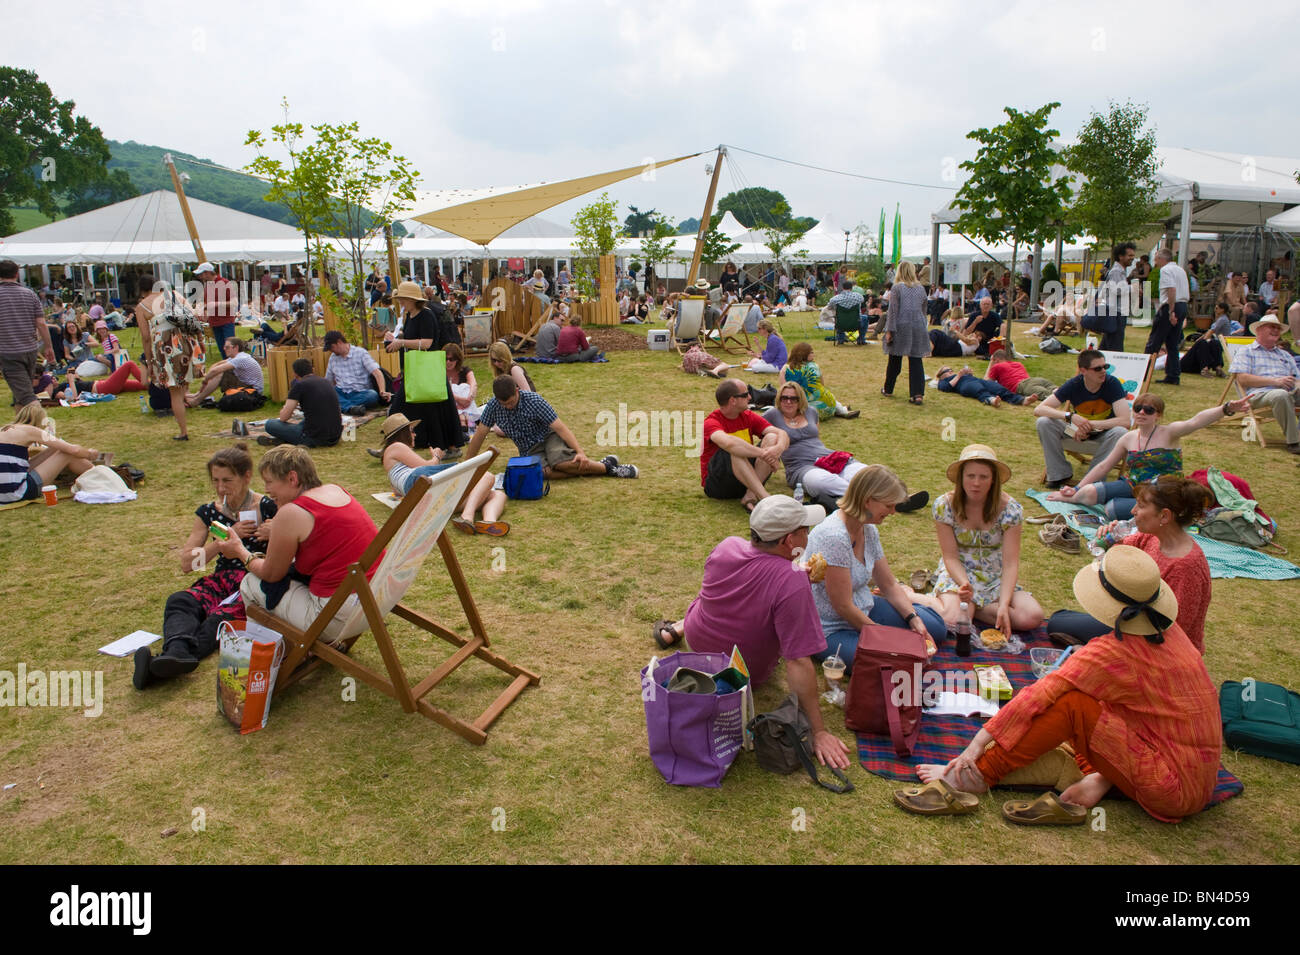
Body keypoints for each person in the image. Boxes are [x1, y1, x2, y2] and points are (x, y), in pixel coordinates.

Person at [915, 545, 1219, 825]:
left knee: (1069, 705)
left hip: (1168, 786)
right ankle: (1099, 777)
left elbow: (1037, 696)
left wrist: (977, 745)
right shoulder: (1171, 632)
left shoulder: (1111, 652)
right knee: (1086, 700)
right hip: (1196, 776)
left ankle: (976, 775)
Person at [650, 495, 850, 771]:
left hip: (698, 641)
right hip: (742, 671)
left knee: (708, 598)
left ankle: (679, 626)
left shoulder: (727, 546)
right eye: (805, 529)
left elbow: (761, 571)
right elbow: (798, 661)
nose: (810, 534)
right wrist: (819, 732)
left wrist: (792, 574)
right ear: (789, 541)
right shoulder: (791, 579)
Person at [133, 443, 278, 689]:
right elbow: (188, 564)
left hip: (251, 581)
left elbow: (295, 548)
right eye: (216, 481)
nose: (221, 488)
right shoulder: (209, 513)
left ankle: (166, 662)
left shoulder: (268, 507)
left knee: (218, 619)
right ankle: (175, 655)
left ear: (246, 476)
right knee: (181, 601)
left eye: (227, 480)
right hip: (221, 579)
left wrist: (276, 531)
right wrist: (220, 545)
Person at [217, 446, 383, 644]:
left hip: (335, 617)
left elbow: (271, 574)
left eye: (269, 482)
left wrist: (240, 551)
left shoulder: (291, 513)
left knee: (250, 584)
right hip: (376, 599)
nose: (267, 490)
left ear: (292, 478)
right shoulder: (335, 490)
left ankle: (266, 655)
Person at [1047, 476, 1214, 654]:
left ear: (1164, 516)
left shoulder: (1186, 567)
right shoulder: (1151, 537)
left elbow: (1173, 632)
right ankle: (1098, 649)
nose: (1133, 511)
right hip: (1132, 625)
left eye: (1141, 506)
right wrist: (1108, 541)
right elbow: (1112, 564)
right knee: (1060, 619)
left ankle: (1098, 652)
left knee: (1061, 625)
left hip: (1161, 648)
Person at [807, 464, 948, 670]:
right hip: (831, 628)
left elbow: (889, 584)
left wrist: (913, 619)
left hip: (865, 608)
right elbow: (843, 606)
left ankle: (908, 619)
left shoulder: (868, 529)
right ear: (867, 500)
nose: (893, 512)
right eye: (889, 505)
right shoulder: (834, 537)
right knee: (894, 662)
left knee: (934, 628)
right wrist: (884, 636)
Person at [1047, 393, 1251, 519]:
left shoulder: (1170, 432)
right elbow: (1103, 466)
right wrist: (1075, 489)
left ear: (1158, 415)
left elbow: (1196, 421)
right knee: (1089, 492)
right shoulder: (1128, 438)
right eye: (1137, 408)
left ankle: (1143, 509)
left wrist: (1226, 409)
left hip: (1163, 491)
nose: (1142, 412)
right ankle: (1074, 500)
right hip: (1133, 485)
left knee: (1112, 510)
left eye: (1149, 410)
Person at [930, 445, 1044, 635]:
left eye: (983, 477)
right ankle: (912, 596)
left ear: (993, 480)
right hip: (959, 571)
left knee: (1032, 616)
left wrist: (1004, 604)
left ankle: (976, 609)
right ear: (961, 478)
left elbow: (1010, 564)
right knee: (952, 621)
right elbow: (950, 557)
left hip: (995, 574)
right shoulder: (944, 505)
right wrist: (965, 585)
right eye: (970, 476)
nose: (976, 483)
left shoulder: (1010, 509)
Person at [465, 376, 638, 480]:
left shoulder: (533, 400)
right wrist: (466, 467)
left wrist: (580, 451)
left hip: (549, 436)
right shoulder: (493, 406)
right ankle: (601, 466)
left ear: (517, 390)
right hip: (529, 448)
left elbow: (560, 427)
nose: (508, 407)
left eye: (511, 402)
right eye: (504, 404)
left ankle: (609, 469)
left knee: (560, 463)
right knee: (543, 473)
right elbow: (479, 435)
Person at [380, 413, 507, 536]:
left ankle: (489, 522)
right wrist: (436, 456)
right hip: (423, 484)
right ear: (402, 433)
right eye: (411, 430)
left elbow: (397, 489)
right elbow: (426, 467)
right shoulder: (396, 446)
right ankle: (467, 517)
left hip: (429, 500)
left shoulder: (392, 460)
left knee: (496, 494)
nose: (414, 434)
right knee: (487, 476)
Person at [1033, 348, 1133, 489]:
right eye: (1097, 368)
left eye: (1105, 367)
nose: (1103, 371)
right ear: (1083, 370)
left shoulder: (1112, 384)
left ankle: (1093, 480)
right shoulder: (1074, 384)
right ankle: (1059, 474)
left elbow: (1125, 421)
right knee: (1043, 422)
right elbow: (1039, 409)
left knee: (1120, 432)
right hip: (1075, 431)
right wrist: (1070, 416)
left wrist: (1088, 424)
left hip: (1104, 434)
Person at [762, 381, 871, 502]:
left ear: (800, 400)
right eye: (784, 398)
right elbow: (757, 432)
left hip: (827, 458)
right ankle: (865, 497)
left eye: (794, 398)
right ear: (779, 399)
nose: (788, 401)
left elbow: (816, 437)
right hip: (800, 467)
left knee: (866, 473)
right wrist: (769, 459)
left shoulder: (811, 412)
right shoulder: (772, 415)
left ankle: (863, 494)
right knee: (824, 483)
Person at [386, 280, 462, 452]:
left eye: (403, 298)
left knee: (432, 410)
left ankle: (446, 446)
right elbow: (413, 336)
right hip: (417, 369)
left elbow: (428, 342)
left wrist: (402, 342)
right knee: (407, 409)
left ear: (413, 299)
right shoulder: (409, 316)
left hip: (426, 369)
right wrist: (396, 338)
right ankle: (394, 444)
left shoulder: (426, 315)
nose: (400, 302)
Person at [699, 377, 788, 508]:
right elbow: (730, 444)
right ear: (732, 400)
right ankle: (765, 498)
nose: (750, 397)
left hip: (746, 479)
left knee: (772, 437)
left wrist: (777, 449)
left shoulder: (747, 415)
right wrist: (764, 454)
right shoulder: (711, 422)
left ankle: (751, 495)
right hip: (718, 485)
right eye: (745, 394)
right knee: (735, 450)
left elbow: (782, 433)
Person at [137, 273, 204, 440]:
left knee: (174, 392)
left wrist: (149, 360)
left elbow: (145, 337)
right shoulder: (175, 295)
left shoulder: (142, 306)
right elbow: (193, 316)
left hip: (166, 347)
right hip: (186, 342)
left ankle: (183, 431)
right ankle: (185, 408)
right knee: (182, 386)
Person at [1227, 315, 1300, 453]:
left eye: (1278, 328)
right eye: (1272, 327)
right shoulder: (1246, 351)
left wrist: (1296, 384)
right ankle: (1294, 442)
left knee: (1286, 393)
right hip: (1258, 395)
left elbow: (1297, 378)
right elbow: (1242, 379)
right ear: (1259, 329)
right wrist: (1276, 381)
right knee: (1280, 395)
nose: (1276, 330)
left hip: (1289, 392)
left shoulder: (1285, 355)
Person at [0, 420, 97, 505]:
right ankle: (99, 475)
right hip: (16, 493)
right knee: (67, 454)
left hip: (3, 494)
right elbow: (73, 450)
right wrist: (90, 454)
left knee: (56, 449)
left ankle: (95, 472)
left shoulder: (3, 432)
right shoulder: (29, 430)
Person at [0, 259, 55, 409]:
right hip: (30, 350)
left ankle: (41, 425)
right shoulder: (30, 294)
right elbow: (42, 324)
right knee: (21, 394)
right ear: (17, 274)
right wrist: (49, 347)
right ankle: (22, 429)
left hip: (8, 352)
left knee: (25, 396)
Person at [260, 358, 341, 448]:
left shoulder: (299, 385)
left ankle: (288, 439)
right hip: (335, 436)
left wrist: (284, 408)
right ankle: (287, 439)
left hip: (314, 438)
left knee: (270, 424)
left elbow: (283, 417)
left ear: (295, 374)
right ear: (312, 369)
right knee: (308, 420)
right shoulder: (326, 382)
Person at [881, 261, 930, 403]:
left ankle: (888, 389)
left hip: (901, 325)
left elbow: (893, 311)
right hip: (918, 325)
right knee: (916, 359)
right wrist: (923, 324)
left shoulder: (897, 288)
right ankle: (917, 394)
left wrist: (889, 330)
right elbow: (924, 309)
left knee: (895, 358)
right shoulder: (920, 288)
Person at [1146, 248, 1190, 385]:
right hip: (1182, 305)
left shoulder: (1165, 270)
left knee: (1154, 341)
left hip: (1171, 306)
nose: (1155, 262)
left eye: (1156, 258)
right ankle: (1173, 375)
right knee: (1172, 343)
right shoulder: (1180, 270)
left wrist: (1171, 312)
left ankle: (1143, 372)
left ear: (1162, 258)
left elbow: (1171, 289)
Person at [784, 341, 858, 421]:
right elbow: (822, 385)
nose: (814, 355)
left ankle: (842, 410)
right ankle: (843, 411)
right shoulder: (814, 366)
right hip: (829, 407)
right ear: (804, 354)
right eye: (811, 353)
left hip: (810, 411)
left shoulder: (787, 369)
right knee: (825, 395)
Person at [321, 329, 388, 414]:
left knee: (373, 395)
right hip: (341, 392)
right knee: (329, 392)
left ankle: (343, 406)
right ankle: (351, 408)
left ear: (339, 342)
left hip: (360, 393)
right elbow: (328, 381)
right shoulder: (332, 358)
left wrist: (382, 390)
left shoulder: (360, 353)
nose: (331, 350)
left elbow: (377, 373)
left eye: (331, 347)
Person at [187, 336, 265, 407]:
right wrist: (209, 375)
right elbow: (217, 365)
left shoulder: (241, 359)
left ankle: (196, 401)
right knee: (218, 372)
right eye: (224, 347)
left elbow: (216, 370)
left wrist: (205, 380)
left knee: (219, 374)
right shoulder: (238, 356)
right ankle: (198, 395)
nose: (224, 349)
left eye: (227, 347)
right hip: (247, 386)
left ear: (236, 347)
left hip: (252, 391)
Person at [935, 365, 1037, 407]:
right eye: (948, 370)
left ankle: (1021, 400)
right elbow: (946, 388)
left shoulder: (957, 375)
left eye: (951, 370)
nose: (951, 371)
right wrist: (959, 375)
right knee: (979, 390)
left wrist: (969, 374)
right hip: (965, 385)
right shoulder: (943, 381)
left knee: (997, 387)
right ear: (941, 374)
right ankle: (991, 400)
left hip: (976, 380)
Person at [195, 262, 238, 352]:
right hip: (214, 323)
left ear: (207, 273)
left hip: (226, 322)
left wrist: (217, 304)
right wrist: (204, 310)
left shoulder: (224, 282)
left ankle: (234, 366)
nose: (200, 277)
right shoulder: (208, 285)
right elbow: (208, 304)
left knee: (230, 350)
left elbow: (234, 302)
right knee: (223, 350)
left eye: (201, 274)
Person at [987, 356, 1054, 400]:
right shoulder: (1018, 363)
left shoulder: (997, 366)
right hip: (1034, 379)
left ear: (996, 360)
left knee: (1050, 396)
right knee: (1056, 390)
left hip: (1022, 386)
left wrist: (991, 363)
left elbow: (987, 383)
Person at [827, 280, 865, 346]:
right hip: (856, 323)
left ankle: (841, 339)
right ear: (852, 287)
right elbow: (862, 301)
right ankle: (861, 339)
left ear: (842, 288)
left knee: (839, 318)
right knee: (865, 318)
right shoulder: (859, 296)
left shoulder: (835, 298)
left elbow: (829, 307)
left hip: (841, 323)